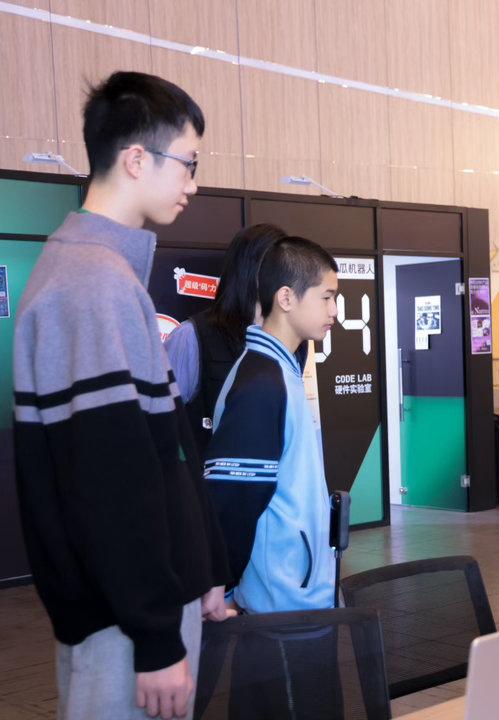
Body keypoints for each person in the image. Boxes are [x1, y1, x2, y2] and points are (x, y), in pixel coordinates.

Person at [12, 71, 231, 720]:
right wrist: (157, 635)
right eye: (188, 163)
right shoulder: (91, 284)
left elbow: (167, 451)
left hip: (144, 612)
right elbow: (111, 482)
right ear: (137, 159)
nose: (193, 183)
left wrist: (203, 568)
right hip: (126, 629)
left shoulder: (107, 275)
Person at [203, 236, 339, 613]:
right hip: (280, 601)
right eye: (326, 297)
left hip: (297, 589)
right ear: (286, 298)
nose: (334, 311)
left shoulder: (279, 370)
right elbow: (234, 497)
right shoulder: (262, 382)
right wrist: (221, 586)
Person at [164, 223, 288, 455]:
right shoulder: (191, 337)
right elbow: (156, 422)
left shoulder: (293, 340)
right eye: (279, 265)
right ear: (251, 269)